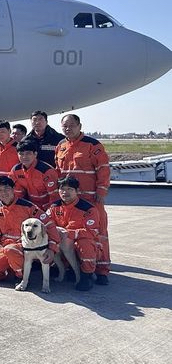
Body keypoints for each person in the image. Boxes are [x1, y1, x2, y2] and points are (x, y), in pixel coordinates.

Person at [54, 114, 111, 284]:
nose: (68, 128)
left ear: (80, 126)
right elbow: (58, 172)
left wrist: (101, 191)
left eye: (71, 125)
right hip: (71, 201)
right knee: (69, 233)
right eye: (64, 126)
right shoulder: (61, 146)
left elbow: (103, 169)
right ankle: (74, 268)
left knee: (98, 233)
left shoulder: (92, 145)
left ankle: (102, 271)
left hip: (91, 198)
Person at [0, 176, 59, 285]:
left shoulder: (28, 206)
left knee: (11, 250)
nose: (3, 193)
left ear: (13, 189)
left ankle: (22, 277)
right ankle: (10, 271)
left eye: (6, 189)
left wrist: (52, 248)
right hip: (5, 248)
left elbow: (49, 224)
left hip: (26, 246)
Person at [45, 177, 101, 291]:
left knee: (86, 243)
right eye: (62, 189)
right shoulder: (53, 207)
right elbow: (48, 224)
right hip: (62, 244)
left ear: (77, 191)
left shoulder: (88, 209)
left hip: (82, 245)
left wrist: (69, 233)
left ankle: (86, 275)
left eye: (70, 189)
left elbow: (92, 232)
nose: (65, 192)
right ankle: (62, 269)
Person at [10, 140, 60, 211]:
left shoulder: (46, 171)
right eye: (21, 154)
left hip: (48, 208)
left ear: (35, 154)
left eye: (28, 153)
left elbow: (55, 196)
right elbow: (18, 194)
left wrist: (49, 212)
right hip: (30, 208)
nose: (24, 157)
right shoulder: (15, 171)